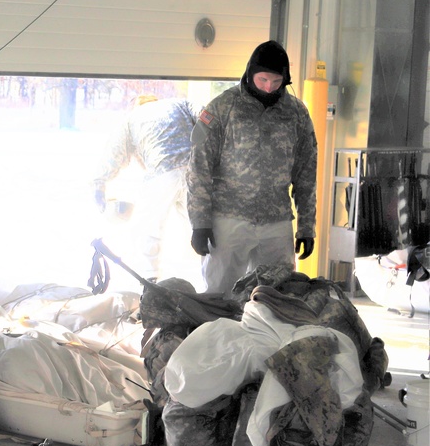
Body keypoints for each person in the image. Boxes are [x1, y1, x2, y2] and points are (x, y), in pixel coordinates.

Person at [186, 40, 317, 297]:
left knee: (276, 297)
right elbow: (198, 168)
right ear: (250, 73)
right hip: (229, 219)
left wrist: (306, 226)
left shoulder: (296, 113)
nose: (269, 87)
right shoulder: (222, 108)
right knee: (218, 294)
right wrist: (199, 223)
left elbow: (306, 172)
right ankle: (214, 336)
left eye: (276, 81)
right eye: (263, 79)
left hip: (276, 221)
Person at [91, 95, 201, 285]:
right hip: (197, 170)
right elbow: (206, 116)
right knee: (200, 227)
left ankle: (150, 281)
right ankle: (215, 282)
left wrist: (99, 184)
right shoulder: (179, 103)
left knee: (147, 228)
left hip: (162, 171)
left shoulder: (132, 118)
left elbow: (114, 153)